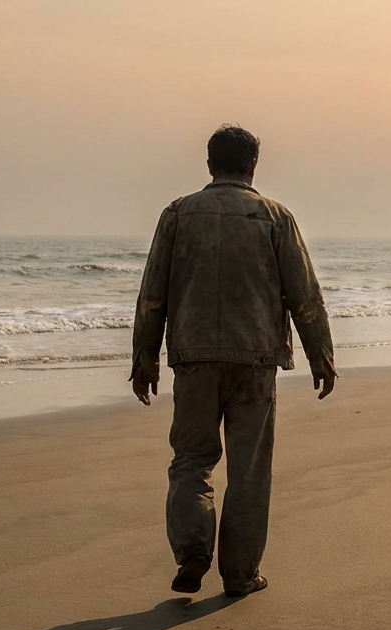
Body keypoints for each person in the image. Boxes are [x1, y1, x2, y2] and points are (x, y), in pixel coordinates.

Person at [130, 124, 337, 598]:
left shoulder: (177, 214)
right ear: (253, 167)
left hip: (194, 357)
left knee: (191, 459)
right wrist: (320, 354)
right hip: (256, 358)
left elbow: (152, 296)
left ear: (209, 165)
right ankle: (240, 574)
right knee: (248, 470)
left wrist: (144, 358)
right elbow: (304, 295)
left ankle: (192, 551)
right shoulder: (274, 216)